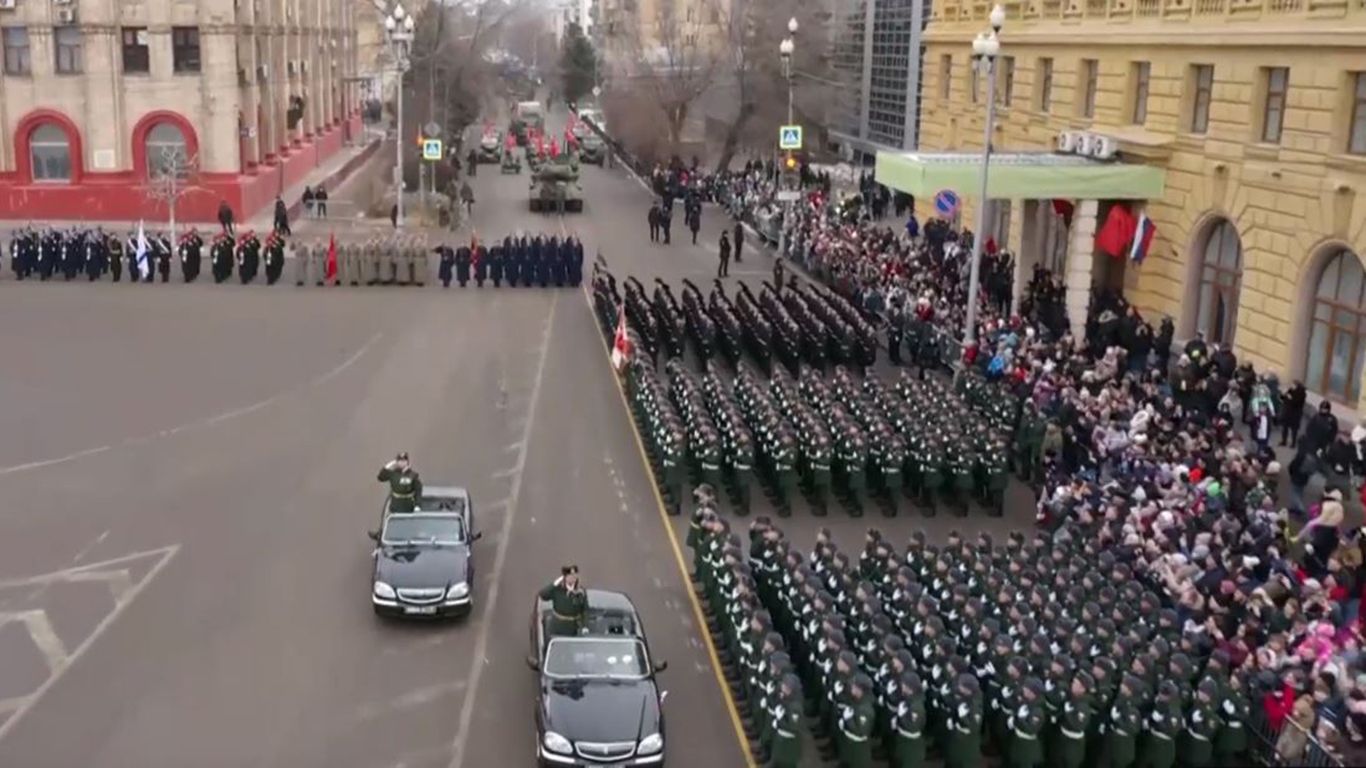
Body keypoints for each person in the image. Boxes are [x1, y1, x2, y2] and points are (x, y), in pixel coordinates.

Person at [539, 565, 588, 636]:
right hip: (557, 628)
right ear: (565, 577)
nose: (573, 578)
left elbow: (585, 610)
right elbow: (543, 595)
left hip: (573, 629)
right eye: (570, 575)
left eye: (574, 575)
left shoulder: (580, 591)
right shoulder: (557, 589)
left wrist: (585, 626)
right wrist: (554, 584)